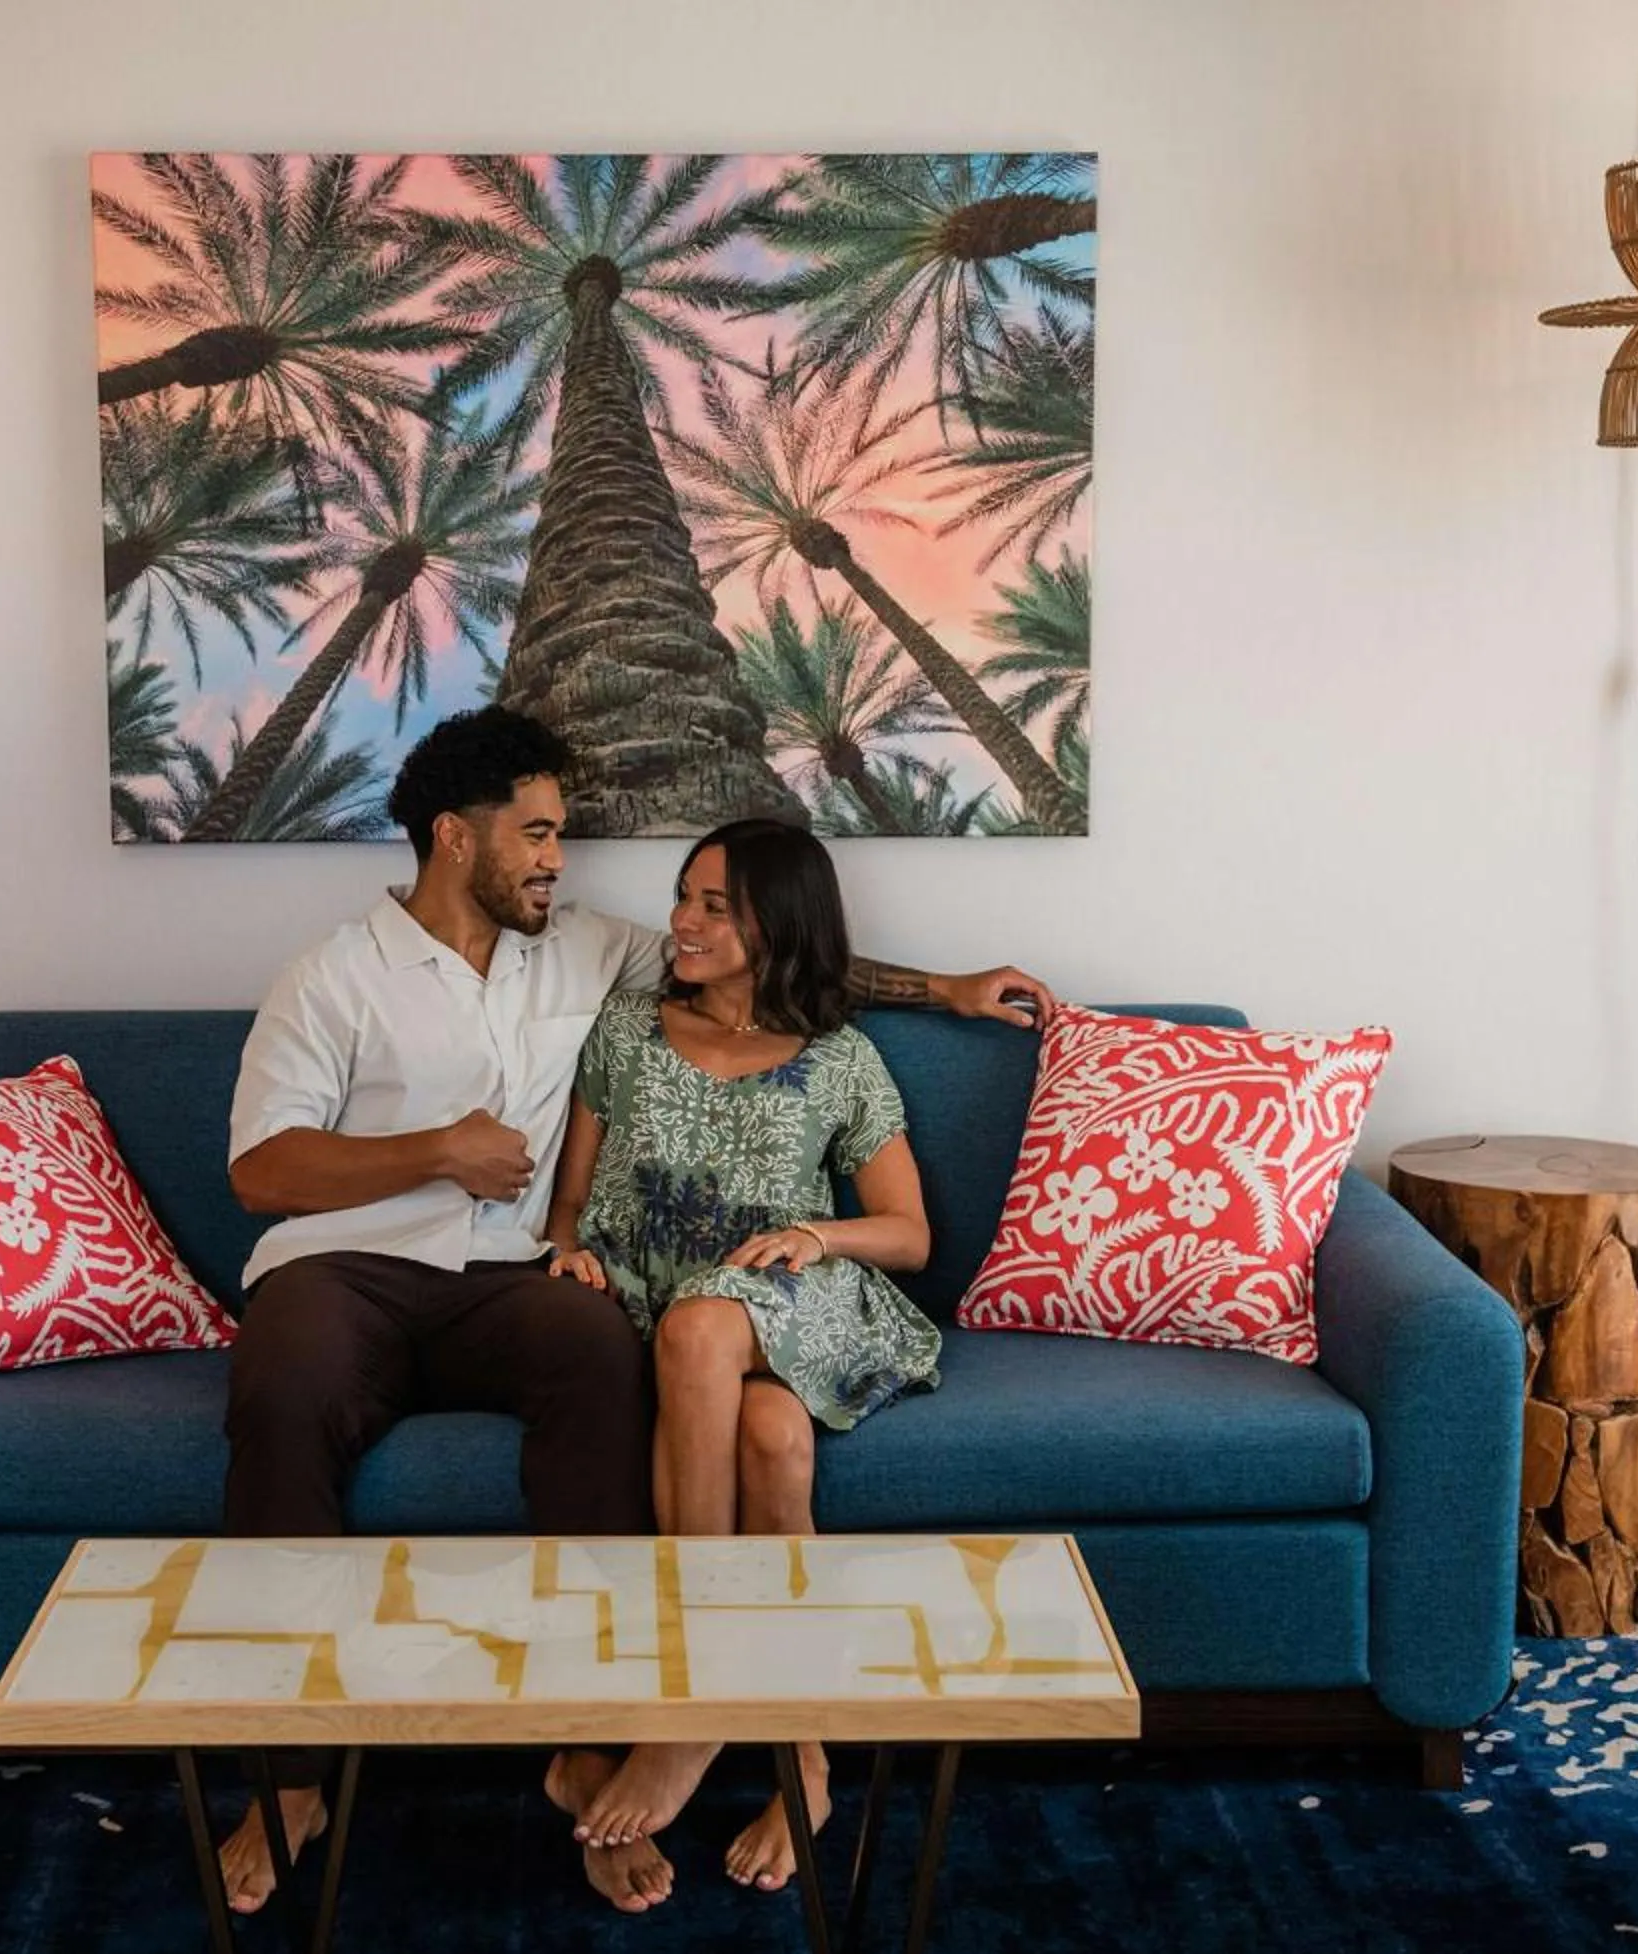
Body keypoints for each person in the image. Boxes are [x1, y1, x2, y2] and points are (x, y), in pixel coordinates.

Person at [218, 708, 1055, 1919]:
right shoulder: (333, 976)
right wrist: (434, 1151)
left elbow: (786, 958)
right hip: (347, 1270)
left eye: (562, 837)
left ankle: (599, 1748)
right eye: (541, 834)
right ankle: (289, 1778)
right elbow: (262, 1172)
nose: (561, 859)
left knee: (597, 1357)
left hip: (518, 1276)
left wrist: (945, 987)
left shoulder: (589, 952)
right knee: (281, 1392)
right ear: (457, 837)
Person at [542, 817, 939, 1893]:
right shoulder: (627, 1029)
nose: (683, 920)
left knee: (706, 1322)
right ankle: (806, 1760)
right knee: (771, 1437)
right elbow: (568, 1205)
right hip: (652, 1306)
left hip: (789, 1303)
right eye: (685, 896)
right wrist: (567, 1255)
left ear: (780, 924)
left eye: (717, 906)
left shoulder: (840, 1059)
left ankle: (695, 1699)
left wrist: (819, 1233)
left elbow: (908, 1233)